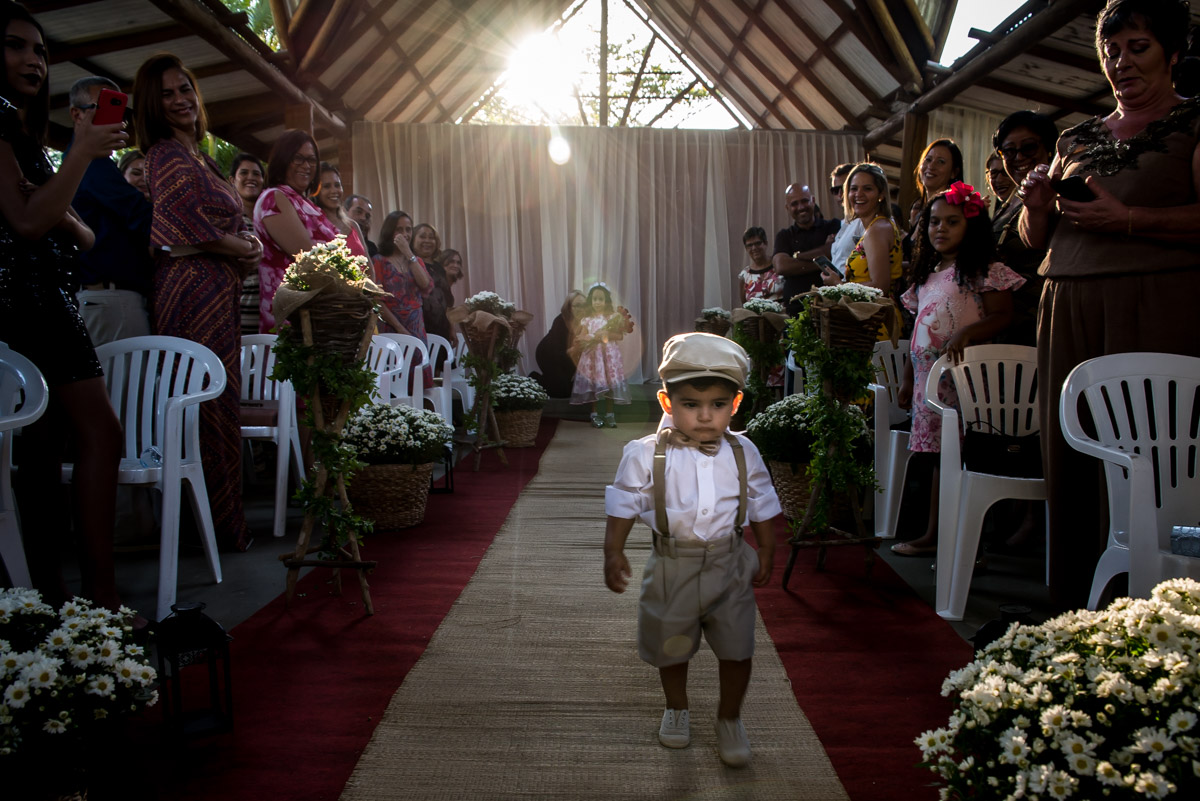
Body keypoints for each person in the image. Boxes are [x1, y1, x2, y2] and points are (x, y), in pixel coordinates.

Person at [1018, 0, 1200, 608]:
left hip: (1156, 303)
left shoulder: (1192, 123)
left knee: (1148, 454)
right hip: (1065, 306)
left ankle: (1153, 602)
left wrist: (1128, 219)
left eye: (1138, 48)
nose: (1121, 62)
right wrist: (1036, 206)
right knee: (1072, 452)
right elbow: (1036, 240)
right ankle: (1074, 601)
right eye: (1111, 50)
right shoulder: (1076, 137)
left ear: (1173, 53)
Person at [0, 2, 129, 614]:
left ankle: (54, 597)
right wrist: (78, 154)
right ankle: (100, 598)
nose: (33, 60)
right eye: (15, 46)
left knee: (44, 452)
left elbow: (82, 233)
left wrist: (54, 204)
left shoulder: (18, 130)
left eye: (41, 51)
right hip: (27, 301)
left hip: (46, 297)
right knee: (98, 432)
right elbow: (30, 221)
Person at [603, 332, 780, 767]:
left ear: (735, 404)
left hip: (730, 563)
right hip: (672, 564)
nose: (704, 416)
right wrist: (613, 551)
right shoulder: (644, 453)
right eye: (690, 404)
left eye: (718, 404)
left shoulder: (744, 451)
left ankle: (729, 718)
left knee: (738, 646)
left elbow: (760, 499)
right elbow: (624, 502)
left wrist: (767, 548)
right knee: (672, 644)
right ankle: (677, 708)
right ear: (667, 402)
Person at [134, 52, 261, 553]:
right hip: (189, 290)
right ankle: (201, 528)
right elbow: (180, 227)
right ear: (152, 104)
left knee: (221, 404)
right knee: (202, 404)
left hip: (219, 288)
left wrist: (247, 245)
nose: (180, 100)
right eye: (166, 94)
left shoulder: (202, 157)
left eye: (184, 88)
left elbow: (228, 224)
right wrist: (239, 247)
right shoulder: (164, 154)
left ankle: (224, 523)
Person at [892, 183, 1024, 557]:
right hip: (928, 385)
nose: (941, 229)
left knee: (964, 459)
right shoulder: (927, 275)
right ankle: (936, 535)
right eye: (934, 222)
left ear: (972, 226)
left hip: (965, 385)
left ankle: (964, 543)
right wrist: (907, 378)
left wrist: (967, 332)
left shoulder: (983, 271)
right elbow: (918, 331)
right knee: (937, 459)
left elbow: (1003, 315)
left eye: (952, 222)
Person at [68, 77, 154, 346]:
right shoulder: (90, 163)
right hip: (111, 300)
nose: (114, 119)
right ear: (77, 114)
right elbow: (141, 216)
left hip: (110, 300)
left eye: (118, 109)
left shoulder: (90, 163)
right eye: (103, 107)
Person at [253, 128, 337, 332]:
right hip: (292, 319)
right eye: (298, 158)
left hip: (319, 315)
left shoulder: (303, 202)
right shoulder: (274, 198)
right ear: (283, 159)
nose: (306, 166)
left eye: (311, 160)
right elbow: (309, 259)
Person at [991, 110, 1059, 348]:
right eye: (1008, 151)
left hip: (1041, 319)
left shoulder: (1058, 192)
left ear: (1048, 149)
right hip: (1005, 323)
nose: (1018, 157)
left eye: (1028, 148)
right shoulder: (1009, 202)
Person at [770, 182, 840, 316]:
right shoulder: (784, 235)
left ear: (813, 201)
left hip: (830, 308)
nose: (801, 207)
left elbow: (834, 250)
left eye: (804, 201)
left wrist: (797, 256)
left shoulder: (833, 225)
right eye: (794, 204)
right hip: (795, 310)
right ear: (787, 208)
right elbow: (781, 266)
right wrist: (823, 262)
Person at [570, 283, 632, 428]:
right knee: (595, 385)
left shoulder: (612, 318)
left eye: (601, 299)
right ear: (590, 301)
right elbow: (582, 336)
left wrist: (606, 334)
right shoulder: (587, 320)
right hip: (593, 356)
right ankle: (595, 414)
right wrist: (586, 338)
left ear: (606, 301)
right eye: (595, 299)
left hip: (608, 356)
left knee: (609, 384)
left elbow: (619, 336)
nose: (597, 302)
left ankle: (610, 414)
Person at [372, 210, 432, 355]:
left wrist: (408, 253)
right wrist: (400, 328)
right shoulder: (379, 261)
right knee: (394, 366)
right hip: (391, 327)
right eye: (399, 230)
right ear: (389, 232)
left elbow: (425, 285)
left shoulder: (415, 260)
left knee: (419, 365)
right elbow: (377, 301)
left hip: (416, 326)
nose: (405, 234)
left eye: (408, 229)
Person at [904, 139, 964, 257]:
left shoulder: (954, 210)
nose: (931, 166)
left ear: (954, 172)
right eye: (928, 160)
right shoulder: (922, 213)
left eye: (941, 162)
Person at [229, 152, 265, 335]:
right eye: (244, 173)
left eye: (256, 174)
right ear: (232, 180)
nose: (251, 177)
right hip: (240, 313)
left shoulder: (269, 219)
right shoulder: (229, 221)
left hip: (272, 313)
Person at [531, 290, 586, 398]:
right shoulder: (560, 320)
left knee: (568, 390)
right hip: (548, 355)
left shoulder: (585, 322)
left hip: (567, 355)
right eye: (577, 305)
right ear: (569, 307)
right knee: (560, 391)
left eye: (584, 305)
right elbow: (555, 351)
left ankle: (553, 381)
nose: (581, 309)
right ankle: (535, 378)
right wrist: (574, 350)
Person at [312, 162, 367, 256]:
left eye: (337, 185)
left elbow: (368, 262)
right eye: (326, 186)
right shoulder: (314, 227)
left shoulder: (353, 225)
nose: (334, 190)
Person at [414, 222, 453, 346]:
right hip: (420, 328)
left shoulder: (439, 268)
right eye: (422, 236)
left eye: (431, 237)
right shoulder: (411, 266)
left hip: (442, 328)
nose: (427, 241)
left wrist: (451, 326)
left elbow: (446, 301)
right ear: (413, 239)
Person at [829, 162, 865, 269]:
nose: (840, 194)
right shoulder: (844, 223)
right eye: (835, 190)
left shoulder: (867, 221)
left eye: (845, 188)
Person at [737, 226, 782, 304]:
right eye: (749, 245)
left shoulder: (779, 265)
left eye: (758, 243)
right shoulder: (745, 275)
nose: (754, 248)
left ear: (766, 243)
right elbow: (745, 305)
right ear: (746, 248)